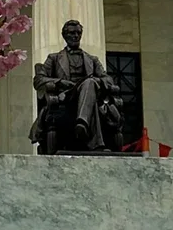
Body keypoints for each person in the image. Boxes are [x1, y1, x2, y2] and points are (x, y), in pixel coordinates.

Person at [30, 19, 122, 152]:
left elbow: (107, 79)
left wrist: (97, 82)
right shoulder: (54, 58)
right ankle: (95, 142)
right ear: (65, 36)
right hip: (67, 97)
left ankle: (82, 123)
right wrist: (60, 82)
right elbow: (38, 80)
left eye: (78, 33)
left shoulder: (92, 59)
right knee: (90, 86)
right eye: (72, 33)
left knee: (90, 83)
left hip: (90, 96)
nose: (76, 36)